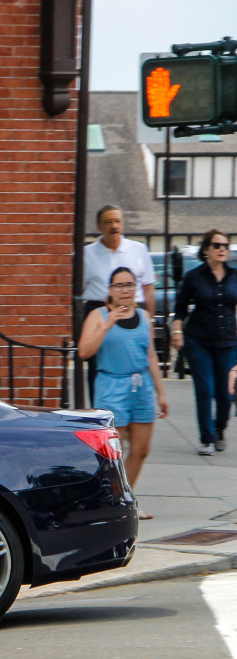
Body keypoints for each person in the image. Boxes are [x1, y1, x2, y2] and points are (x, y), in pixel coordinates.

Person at [79, 266, 168, 516]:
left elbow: (150, 355)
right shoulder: (98, 315)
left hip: (141, 387)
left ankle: (122, 499)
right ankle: (109, 501)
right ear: (110, 290)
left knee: (141, 450)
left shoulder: (144, 317)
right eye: (120, 285)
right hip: (111, 386)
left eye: (130, 285)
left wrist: (161, 393)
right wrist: (107, 325)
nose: (125, 290)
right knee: (112, 452)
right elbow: (84, 351)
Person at [170, 228, 237, 455]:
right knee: (205, 389)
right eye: (217, 245)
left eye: (225, 246)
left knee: (225, 394)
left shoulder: (235, 276)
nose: (222, 250)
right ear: (206, 250)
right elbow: (179, 309)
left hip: (228, 341)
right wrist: (177, 332)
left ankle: (219, 429)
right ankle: (206, 439)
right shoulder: (194, 277)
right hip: (198, 340)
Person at [82, 205, 155, 404]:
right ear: (99, 226)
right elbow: (78, 291)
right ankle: (100, 415)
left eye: (117, 221)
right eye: (108, 222)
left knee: (137, 362)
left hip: (134, 311)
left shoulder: (138, 249)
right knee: (99, 366)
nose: (114, 226)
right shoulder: (86, 254)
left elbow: (148, 288)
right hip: (100, 312)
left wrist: (151, 320)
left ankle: (135, 407)